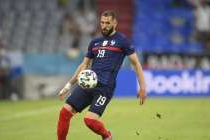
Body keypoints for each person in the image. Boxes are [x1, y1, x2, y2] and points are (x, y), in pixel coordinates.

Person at [57, 10, 147, 140]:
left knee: (89, 121)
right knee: (64, 113)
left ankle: (107, 136)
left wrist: (142, 87)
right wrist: (68, 85)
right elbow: (84, 65)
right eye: (102, 22)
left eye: (107, 23)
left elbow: (136, 64)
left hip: (104, 88)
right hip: (88, 84)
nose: (104, 26)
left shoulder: (122, 41)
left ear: (115, 23)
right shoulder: (95, 42)